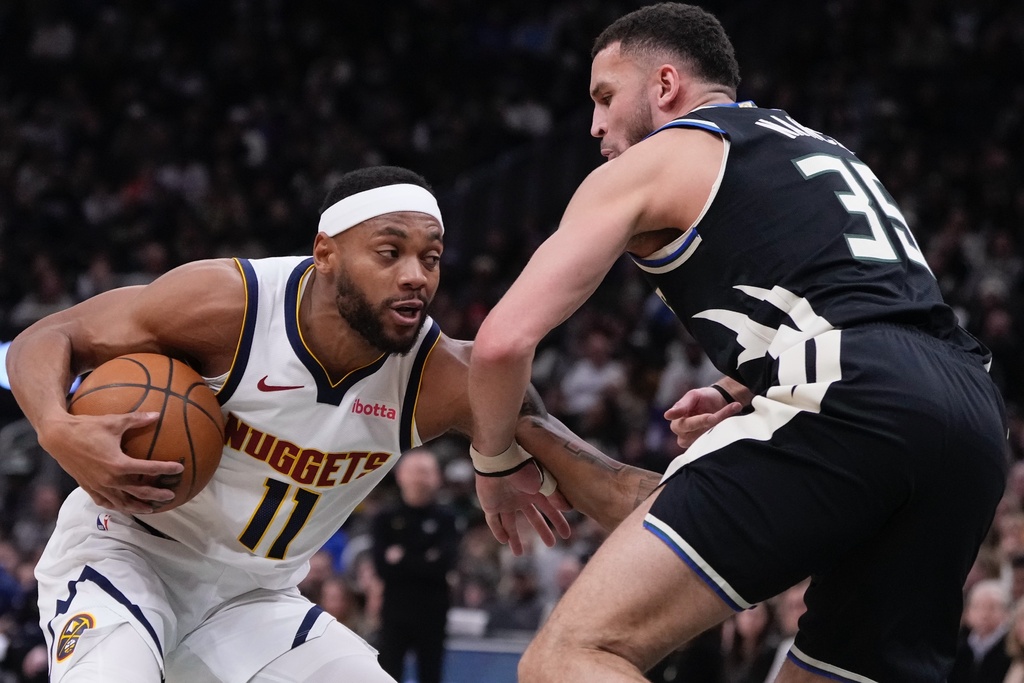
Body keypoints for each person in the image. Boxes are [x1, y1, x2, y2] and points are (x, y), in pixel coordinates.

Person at [466, 4, 1009, 682]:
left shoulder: (659, 159)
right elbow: (874, 301)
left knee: (569, 658)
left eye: (605, 97)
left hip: (851, 387)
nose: (595, 125)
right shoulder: (818, 147)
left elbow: (500, 343)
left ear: (664, 85)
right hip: (971, 413)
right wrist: (737, 385)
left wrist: (492, 462)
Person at [5, 165, 661, 682]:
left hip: (253, 597)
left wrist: (735, 506)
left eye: (430, 258)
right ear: (326, 253)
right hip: (125, 552)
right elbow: (51, 334)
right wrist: (56, 427)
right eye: (390, 252)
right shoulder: (230, 307)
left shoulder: (443, 379)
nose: (415, 277)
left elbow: (609, 486)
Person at [370, 447, 459, 683]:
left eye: (427, 472)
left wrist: (402, 559)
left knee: (431, 674)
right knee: (388, 674)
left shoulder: (446, 518)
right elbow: (382, 567)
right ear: (401, 475)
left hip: (433, 612)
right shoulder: (385, 517)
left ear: (438, 477)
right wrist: (425, 558)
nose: (421, 479)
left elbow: (445, 564)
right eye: (416, 471)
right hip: (394, 612)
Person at [949, 579, 1012, 683]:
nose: (984, 615)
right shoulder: (959, 643)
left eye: (992, 608)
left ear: (1006, 612)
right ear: (967, 613)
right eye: (977, 607)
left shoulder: (1011, 647)